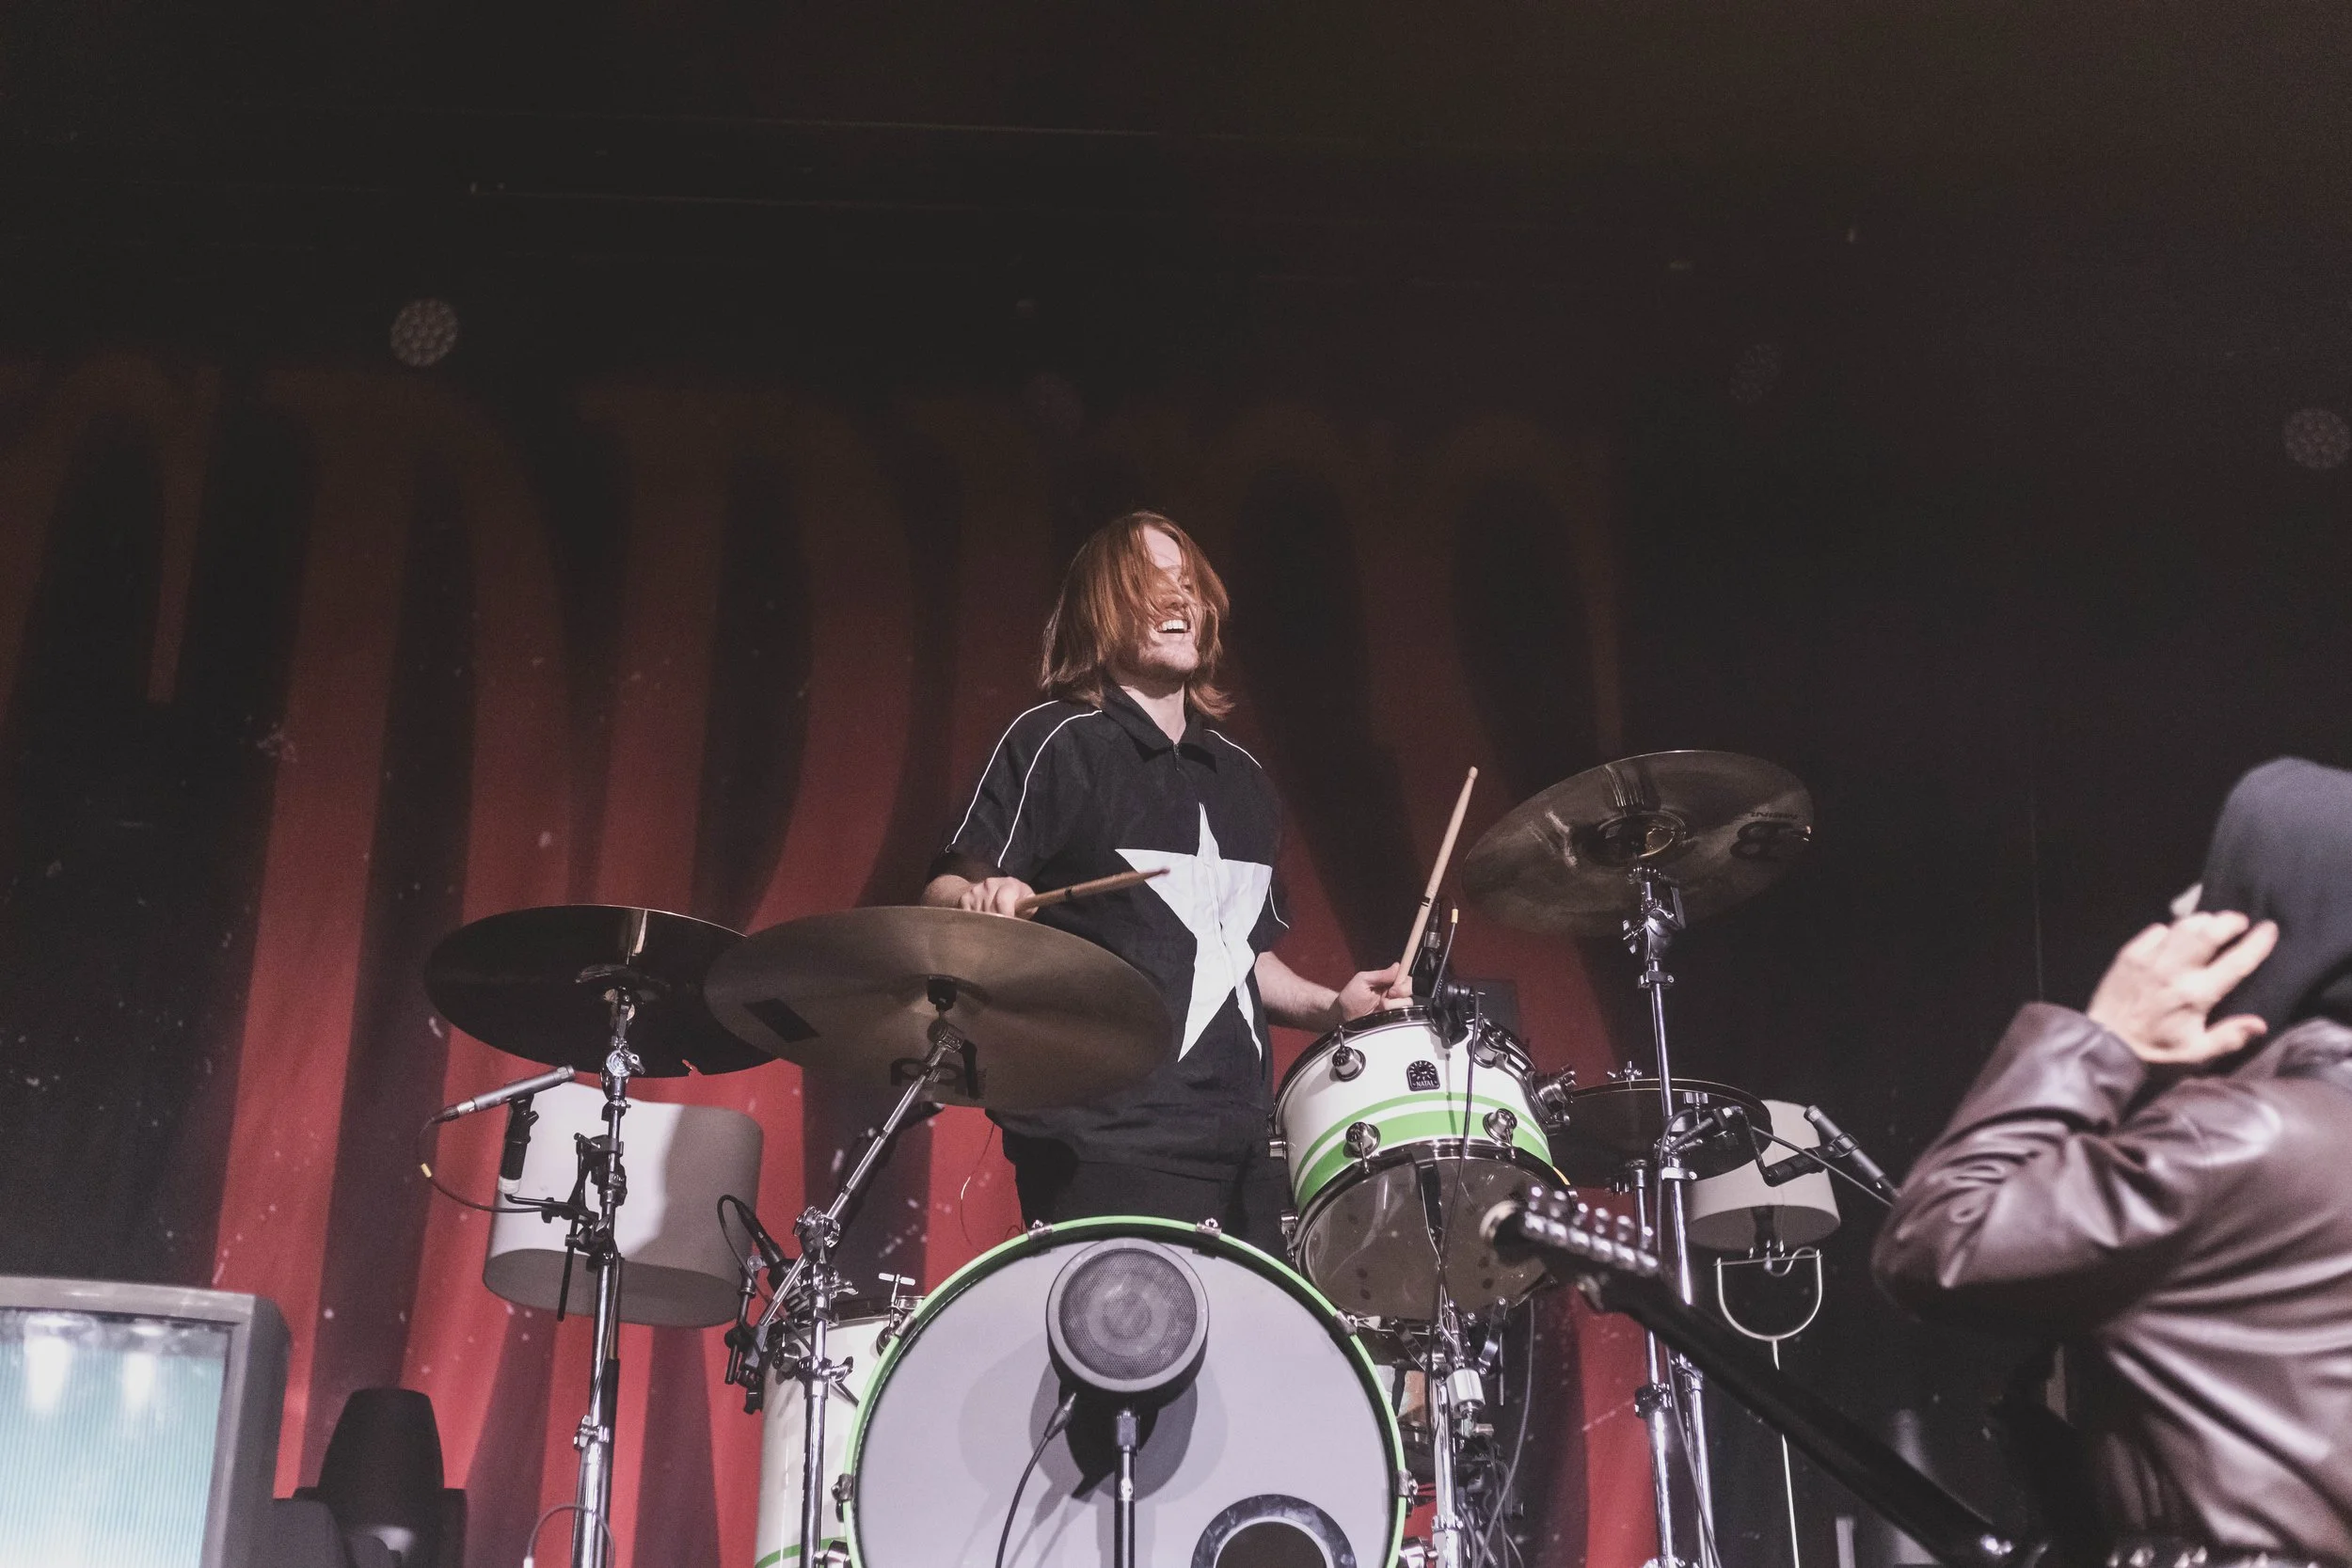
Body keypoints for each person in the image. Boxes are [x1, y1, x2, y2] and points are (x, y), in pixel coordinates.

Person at [1874, 757, 2352, 1567]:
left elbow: (1937, 1240)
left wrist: (2105, 1040)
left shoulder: (2238, 1138)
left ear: (2276, 919)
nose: (2182, 909)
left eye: (2218, 888)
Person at [923, 511, 1400, 1256]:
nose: (1179, 600)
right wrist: (977, 901)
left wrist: (1331, 1007)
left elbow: (1236, 953)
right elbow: (943, 895)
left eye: (1188, 585)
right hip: (1105, 1145)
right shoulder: (1055, 740)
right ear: (1100, 610)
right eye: (1149, 585)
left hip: (1246, 1146)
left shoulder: (1243, 779)